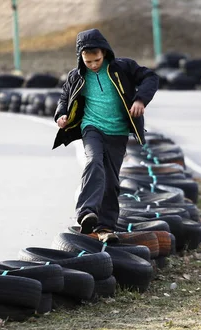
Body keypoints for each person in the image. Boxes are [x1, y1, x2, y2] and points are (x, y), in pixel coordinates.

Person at [53, 28, 159, 242]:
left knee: (111, 181)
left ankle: (105, 228)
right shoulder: (77, 76)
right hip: (92, 127)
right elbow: (64, 97)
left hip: (118, 132)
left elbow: (151, 77)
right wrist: (61, 114)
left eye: (97, 60)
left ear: (105, 52)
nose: (93, 65)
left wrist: (140, 100)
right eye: (88, 61)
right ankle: (86, 213)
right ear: (81, 57)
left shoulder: (123, 67)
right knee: (94, 162)